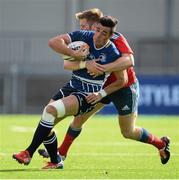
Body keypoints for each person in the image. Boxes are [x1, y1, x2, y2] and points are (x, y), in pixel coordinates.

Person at [38, 8, 170, 166]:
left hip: (124, 87)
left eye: (84, 26)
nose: (82, 30)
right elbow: (66, 63)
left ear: (96, 25)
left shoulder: (115, 38)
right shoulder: (86, 39)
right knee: (78, 119)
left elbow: (129, 62)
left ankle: (161, 144)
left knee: (128, 132)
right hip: (100, 87)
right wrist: (81, 60)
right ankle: (61, 154)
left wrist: (103, 69)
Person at [13, 15, 128, 169]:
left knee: (50, 110)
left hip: (86, 95)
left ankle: (28, 153)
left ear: (110, 35)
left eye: (104, 33)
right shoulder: (84, 36)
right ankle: (56, 161)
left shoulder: (113, 52)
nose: (98, 35)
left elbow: (122, 80)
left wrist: (100, 95)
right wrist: (75, 55)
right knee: (46, 122)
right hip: (70, 86)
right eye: (98, 30)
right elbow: (53, 42)